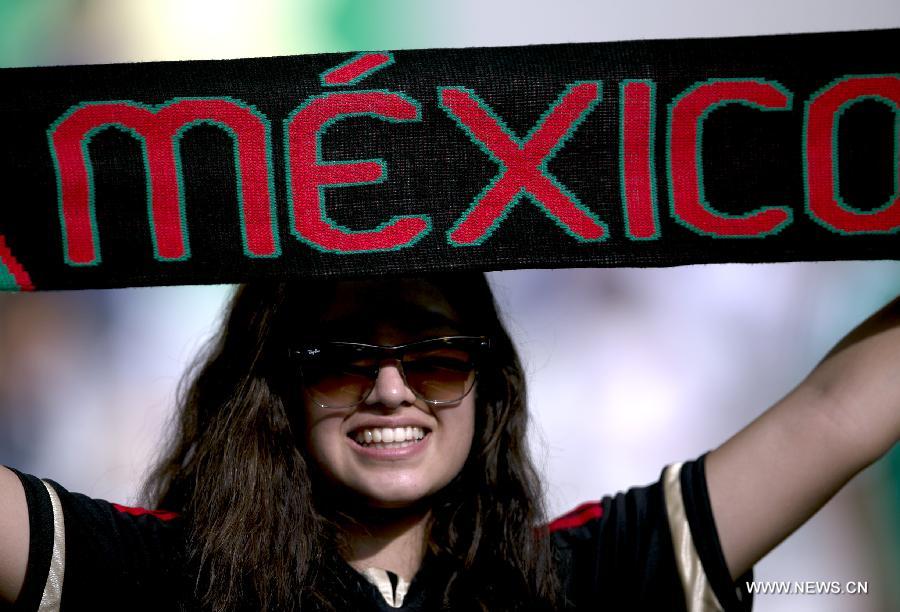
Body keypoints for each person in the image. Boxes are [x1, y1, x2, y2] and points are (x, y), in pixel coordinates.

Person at [0, 273, 898, 611]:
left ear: (488, 383)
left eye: (434, 355)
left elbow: (835, 413)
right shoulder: (171, 581)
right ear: (275, 387)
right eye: (342, 358)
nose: (392, 388)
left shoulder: (578, 581)